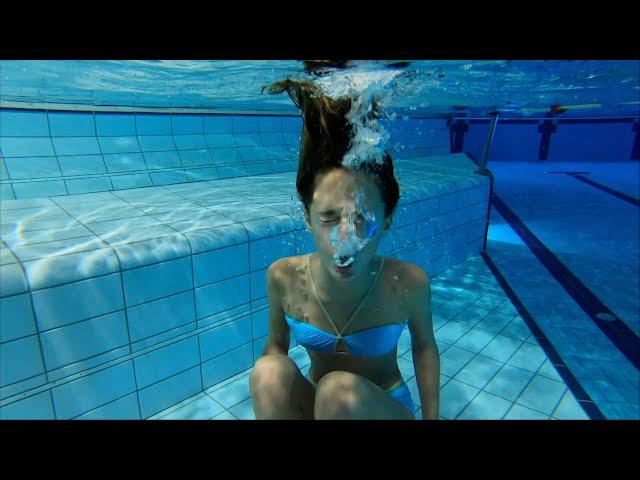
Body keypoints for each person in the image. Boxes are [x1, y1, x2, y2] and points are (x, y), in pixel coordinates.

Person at [249, 78, 440, 420]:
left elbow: (424, 349)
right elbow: (276, 347)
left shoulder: (407, 282)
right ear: (307, 217)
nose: (345, 239)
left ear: (387, 221)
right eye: (329, 218)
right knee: (268, 372)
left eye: (362, 219)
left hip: (384, 407)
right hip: (320, 408)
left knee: (337, 393)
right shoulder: (283, 276)